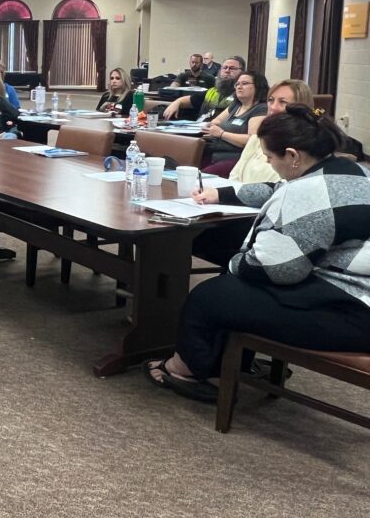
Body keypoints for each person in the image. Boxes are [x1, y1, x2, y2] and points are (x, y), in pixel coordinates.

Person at [145, 106, 370, 402]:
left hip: (352, 313)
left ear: (292, 156)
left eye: (269, 156)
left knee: (211, 295)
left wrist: (236, 262)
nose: (266, 160)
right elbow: (275, 188)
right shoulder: (351, 171)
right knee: (232, 285)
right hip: (352, 290)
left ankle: (187, 369)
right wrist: (222, 195)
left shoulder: (306, 193)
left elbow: (279, 271)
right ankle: (231, 359)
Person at [190, 79, 313, 266]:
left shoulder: (303, 150)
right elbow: (235, 177)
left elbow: (282, 189)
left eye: (283, 102)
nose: (273, 107)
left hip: (264, 219)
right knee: (182, 232)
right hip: (235, 208)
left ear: (300, 107)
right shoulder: (258, 138)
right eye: (271, 100)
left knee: (191, 238)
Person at [203, 71, 268, 163]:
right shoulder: (236, 105)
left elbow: (252, 140)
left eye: (244, 84)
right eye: (237, 84)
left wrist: (222, 134)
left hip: (236, 159)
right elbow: (217, 120)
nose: (239, 87)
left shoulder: (261, 109)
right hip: (214, 152)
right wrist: (211, 126)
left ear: (258, 86)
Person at [161, 56, 244, 121]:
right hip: (199, 128)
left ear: (242, 72)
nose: (227, 70)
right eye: (224, 67)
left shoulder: (243, 95)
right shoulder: (212, 92)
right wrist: (177, 102)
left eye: (232, 68)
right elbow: (188, 100)